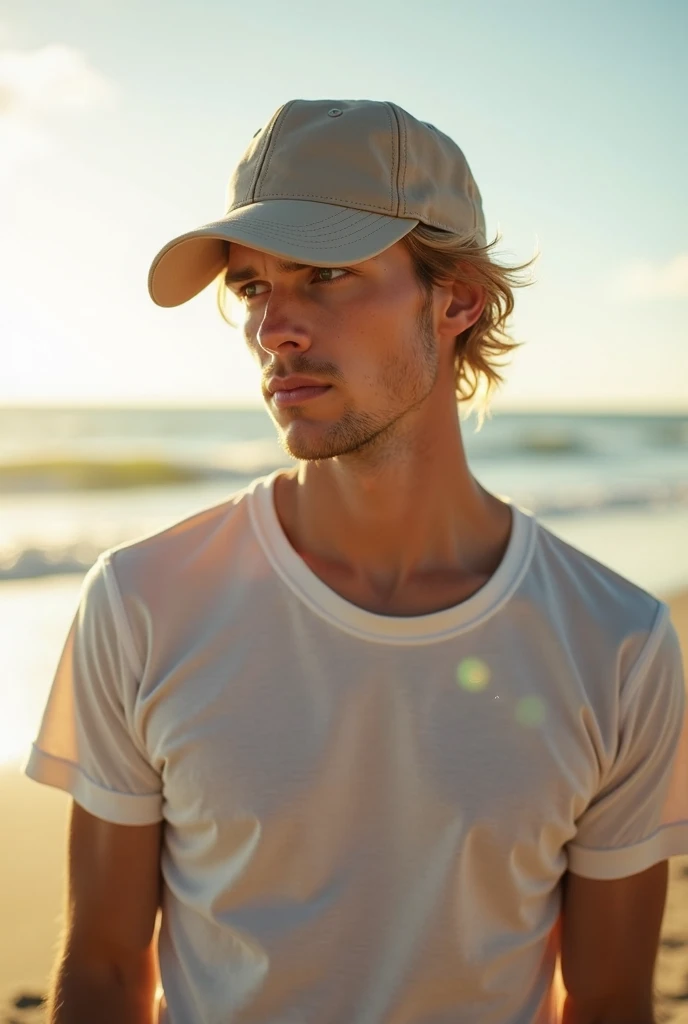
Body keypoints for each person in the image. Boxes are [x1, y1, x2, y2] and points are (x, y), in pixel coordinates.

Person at [25, 98, 688, 1024]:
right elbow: (99, 973)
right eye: (253, 287)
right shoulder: (143, 601)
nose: (274, 328)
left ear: (456, 297)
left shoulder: (617, 640)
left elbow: (612, 999)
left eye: (325, 273)